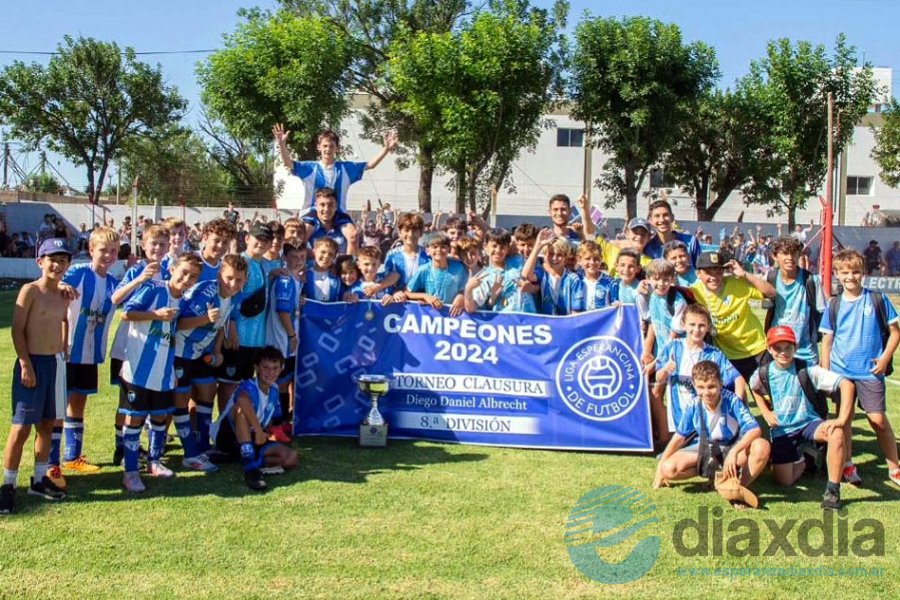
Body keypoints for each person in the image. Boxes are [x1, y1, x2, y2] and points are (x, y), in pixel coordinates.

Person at [119, 254, 202, 492]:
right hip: (138, 371)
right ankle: (131, 472)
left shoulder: (184, 302)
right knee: (134, 420)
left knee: (159, 418)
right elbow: (127, 312)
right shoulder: (155, 289)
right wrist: (155, 315)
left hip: (164, 371)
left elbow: (176, 330)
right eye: (184, 272)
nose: (187, 279)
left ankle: (154, 462)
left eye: (193, 276)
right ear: (172, 269)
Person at [1, 239, 73, 514]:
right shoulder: (29, 290)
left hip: (54, 365)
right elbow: (17, 329)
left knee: (47, 425)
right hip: (31, 363)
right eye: (51, 259)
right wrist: (25, 363)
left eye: (63, 260)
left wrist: (64, 347)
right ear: (39, 261)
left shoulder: (63, 294)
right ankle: (8, 485)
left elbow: (64, 320)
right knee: (21, 428)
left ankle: (39, 480)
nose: (57, 264)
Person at [748, 326, 854, 510]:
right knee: (784, 481)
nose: (783, 353)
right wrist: (765, 411)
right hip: (783, 428)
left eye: (788, 347)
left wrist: (841, 420)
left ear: (795, 347)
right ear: (769, 349)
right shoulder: (763, 373)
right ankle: (806, 456)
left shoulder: (807, 369)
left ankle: (832, 491)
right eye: (777, 348)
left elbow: (847, 385)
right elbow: (754, 388)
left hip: (809, 422)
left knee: (836, 433)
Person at [820, 249, 900, 489]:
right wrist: (826, 373)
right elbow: (827, 341)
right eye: (845, 272)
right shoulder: (834, 304)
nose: (850, 277)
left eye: (855, 272)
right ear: (837, 274)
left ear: (863, 273)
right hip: (841, 372)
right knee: (844, 420)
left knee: (877, 420)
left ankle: (894, 466)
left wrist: (885, 358)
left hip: (869, 372)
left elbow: (895, 332)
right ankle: (847, 465)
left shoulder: (877, 299)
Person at [53, 227, 120, 486]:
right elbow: (54, 280)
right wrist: (60, 284)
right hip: (68, 350)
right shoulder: (79, 272)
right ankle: (52, 462)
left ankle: (72, 456)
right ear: (91, 250)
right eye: (103, 250)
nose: (108, 255)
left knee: (78, 403)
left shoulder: (114, 282)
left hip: (91, 354)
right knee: (58, 405)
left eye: (113, 251)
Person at [653, 361, 770, 510]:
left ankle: (736, 489)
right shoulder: (694, 405)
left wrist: (734, 452)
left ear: (721, 384)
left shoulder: (732, 400)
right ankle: (717, 477)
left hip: (734, 446)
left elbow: (755, 430)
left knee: (762, 446)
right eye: (701, 387)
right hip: (708, 449)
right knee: (668, 468)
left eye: (711, 387)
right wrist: (660, 468)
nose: (707, 392)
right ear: (694, 386)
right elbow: (679, 437)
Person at [273, 124, 398, 252]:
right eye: (325, 146)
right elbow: (288, 163)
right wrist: (282, 144)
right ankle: (302, 265)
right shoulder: (310, 168)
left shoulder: (345, 168)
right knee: (302, 236)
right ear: (319, 147)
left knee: (353, 235)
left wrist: (386, 149)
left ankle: (346, 267)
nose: (328, 149)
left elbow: (370, 165)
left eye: (331, 146)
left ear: (337, 148)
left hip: (338, 212)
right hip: (313, 212)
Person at [175, 254, 249, 466]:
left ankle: (203, 445)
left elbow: (219, 327)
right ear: (219, 275)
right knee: (179, 402)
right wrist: (204, 319)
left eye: (238, 279)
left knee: (208, 390)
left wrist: (217, 351)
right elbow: (178, 323)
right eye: (229, 278)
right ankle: (190, 454)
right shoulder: (206, 292)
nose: (233, 283)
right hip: (180, 352)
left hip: (200, 353)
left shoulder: (233, 298)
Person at [210, 346, 300, 491]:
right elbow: (243, 401)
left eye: (275, 368)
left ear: (281, 368)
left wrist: (266, 432)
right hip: (227, 436)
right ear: (256, 368)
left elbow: (271, 421)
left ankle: (243, 457)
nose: (270, 372)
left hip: (252, 437)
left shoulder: (275, 390)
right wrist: (259, 431)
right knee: (241, 411)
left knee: (291, 458)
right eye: (266, 368)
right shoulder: (249, 385)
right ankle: (251, 471)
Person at [690, 251, 775, 381]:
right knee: (735, 396)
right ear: (698, 274)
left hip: (757, 350)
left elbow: (771, 293)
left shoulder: (738, 283)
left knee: (765, 396)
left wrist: (745, 274)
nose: (714, 277)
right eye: (708, 272)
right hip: (727, 356)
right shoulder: (694, 291)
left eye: (718, 271)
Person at [764, 236, 826, 366]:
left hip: (806, 352)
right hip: (778, 350)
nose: (790, 258)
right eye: (785, 253)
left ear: (799, 255)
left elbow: (823, 319)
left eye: (794, 253)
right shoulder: (771, 278)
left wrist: (825, 362)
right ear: (775, 256)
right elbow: (768, 312)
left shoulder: (811, 280)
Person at [464, 228, 535, 313]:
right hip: (505, 321)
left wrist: (532, 287)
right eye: (494, 246)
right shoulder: (484, 276)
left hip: (529, 319)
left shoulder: (518, 260)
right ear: (485, 247)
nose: (498, 250)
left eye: (502, 247)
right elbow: (470, 309)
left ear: (508, 248)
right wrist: (468, 289)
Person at [522, 231, 584, 316]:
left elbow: (576, 311)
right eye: (551, 254)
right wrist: (538, 246)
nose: (554, 258)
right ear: (545, 255)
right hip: (545, 325)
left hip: (566, 325)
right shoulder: (542, 274)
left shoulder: (573, 279)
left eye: (559, 255)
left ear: (565, 257)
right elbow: (526, 275)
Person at [406, 232, 468, 317]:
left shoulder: (459, 268)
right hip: (431, 315)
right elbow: (407, 292)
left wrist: (461, 297)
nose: (439, 250)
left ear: (448, 249)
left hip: (454, 314)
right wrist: (425, 296)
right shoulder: (424, 270)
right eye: (435, 247)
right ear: (427, 251)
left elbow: (465, 289)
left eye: (443, 247)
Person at [643, 198, 700, 267]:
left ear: (672, 217)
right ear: (650, 220)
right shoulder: (648, 247)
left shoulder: (691, 242)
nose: (662, 220)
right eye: (657, 216)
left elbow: (700, 270)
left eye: (665, 215)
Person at [303, 237, 343, 302]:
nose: (326, 256)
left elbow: (342, 295)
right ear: (314, 251)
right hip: (309, 311)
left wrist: (348, 295)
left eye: (330, 254)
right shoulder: (305, 274)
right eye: (323, 252)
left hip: (331, 311)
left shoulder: (336, 275)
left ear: (334, 257)